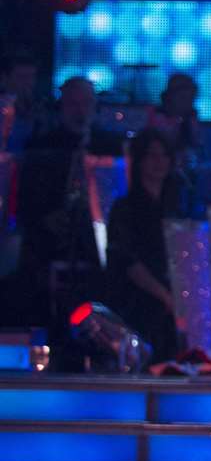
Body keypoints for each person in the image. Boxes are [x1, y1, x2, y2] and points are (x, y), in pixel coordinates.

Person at [16, 77, 126, 353]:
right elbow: (28, 201)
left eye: (86, 103)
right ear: (62, 106)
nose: (80, 110)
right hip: (52, 247)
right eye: (74, 103)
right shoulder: (42, 146)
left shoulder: (110, 145)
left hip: (100, 246)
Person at [105, 129, 183, 362]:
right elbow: (127, 260)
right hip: (138, 304)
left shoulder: (177, 208)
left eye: (163, 156)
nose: (158, 162)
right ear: (140, 161)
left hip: (173, 306)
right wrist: (166, 297)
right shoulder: (125, 208)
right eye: (152, 156)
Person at [1, 48, 41, 151]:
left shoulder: (42, 110)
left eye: (31, 77)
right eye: (22, 77)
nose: (28, 83)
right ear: (4, 78)